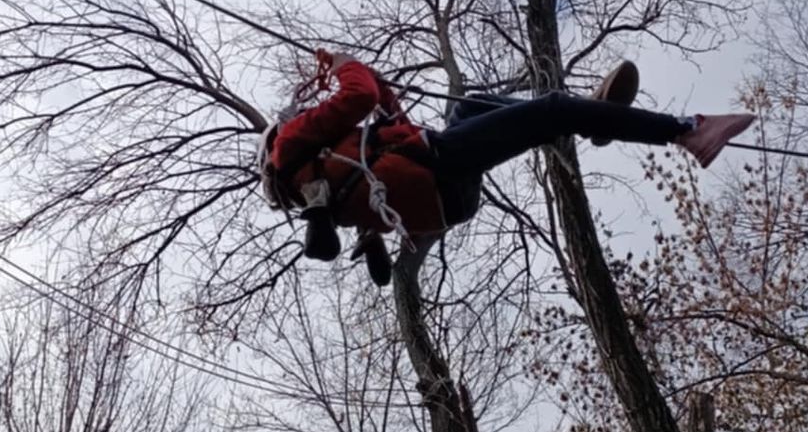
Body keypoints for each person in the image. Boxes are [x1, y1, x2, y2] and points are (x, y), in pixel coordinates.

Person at [257, 50, 755, 286]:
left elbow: (389, 116)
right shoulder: (293, 144)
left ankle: (597, 114)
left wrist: (373, 80)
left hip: (445, 188)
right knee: (553, 110)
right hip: (440, 167)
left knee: (470, 106)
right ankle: (688, 130)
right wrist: (346, 64)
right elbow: (359, 94)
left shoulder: (337, 171)